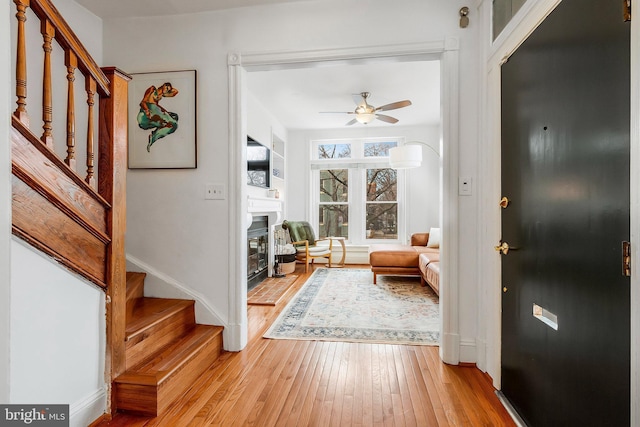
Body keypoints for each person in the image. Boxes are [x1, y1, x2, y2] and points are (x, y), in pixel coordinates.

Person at [137, 82, 179, 152]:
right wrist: (147, 110)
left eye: (168, 90)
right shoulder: (152, 89)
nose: (167, 90)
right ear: (164, 85)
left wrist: (167, 113)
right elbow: (142, 102)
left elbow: (175, 92)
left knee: (173, 120)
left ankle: (153, 138)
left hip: (153, 115)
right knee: (174, 123)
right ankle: (153, 136)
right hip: (145, 115)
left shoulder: (161, 95)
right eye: (167, 88)